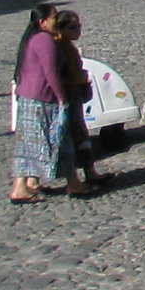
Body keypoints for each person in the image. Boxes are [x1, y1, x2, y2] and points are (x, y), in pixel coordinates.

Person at [10, 9, 85, 202]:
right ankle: (73, 183)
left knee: (28, 144)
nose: (56, 20)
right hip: (43, 99)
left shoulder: (33, 39)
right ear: (42, 22)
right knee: (60, 140)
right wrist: (61, 97)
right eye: (53, 17)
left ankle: (24, 185)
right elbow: (51, 72)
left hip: (29, 98)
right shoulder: (45, 41)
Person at [51, 10, 102, 190]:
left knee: (81, 133)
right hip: (67, 96)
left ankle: (90, 171)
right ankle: (75, 179)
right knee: (72, 135)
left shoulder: (69, 46)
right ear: (60, 28)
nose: (78, 30)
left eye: (79, 26)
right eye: (73, 27)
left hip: (76, 95)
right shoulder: (58, 48)